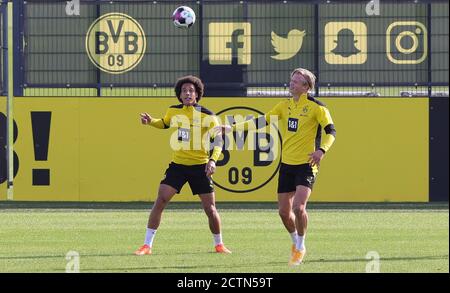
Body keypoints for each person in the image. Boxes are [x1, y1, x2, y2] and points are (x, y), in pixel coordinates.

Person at [218, 68, 336, 265]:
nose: (291, 84)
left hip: (307, 164)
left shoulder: (318, 108)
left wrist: (321, 150)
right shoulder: (284, 106)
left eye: (296, 81)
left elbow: (331, 131)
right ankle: (295, 241)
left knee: (299, 208)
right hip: (287, 164)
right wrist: (232, 128)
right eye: (291, 80)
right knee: (283, 212)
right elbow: (261, 121)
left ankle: (300, 247)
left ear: (306, 87)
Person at [135, 75, 231, 255]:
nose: (187, 93)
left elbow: (218, 141)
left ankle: (219, 245)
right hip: (178, 166)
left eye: (191, 91)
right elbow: (164, 123)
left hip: (200, 166)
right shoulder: (173, 111)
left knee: (210, 209)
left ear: (197, 94)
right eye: (184, 91)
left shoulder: (207, 115)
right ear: (179, 95)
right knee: (160, 200)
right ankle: (147, 245)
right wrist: (151, 122)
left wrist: (212, 160)